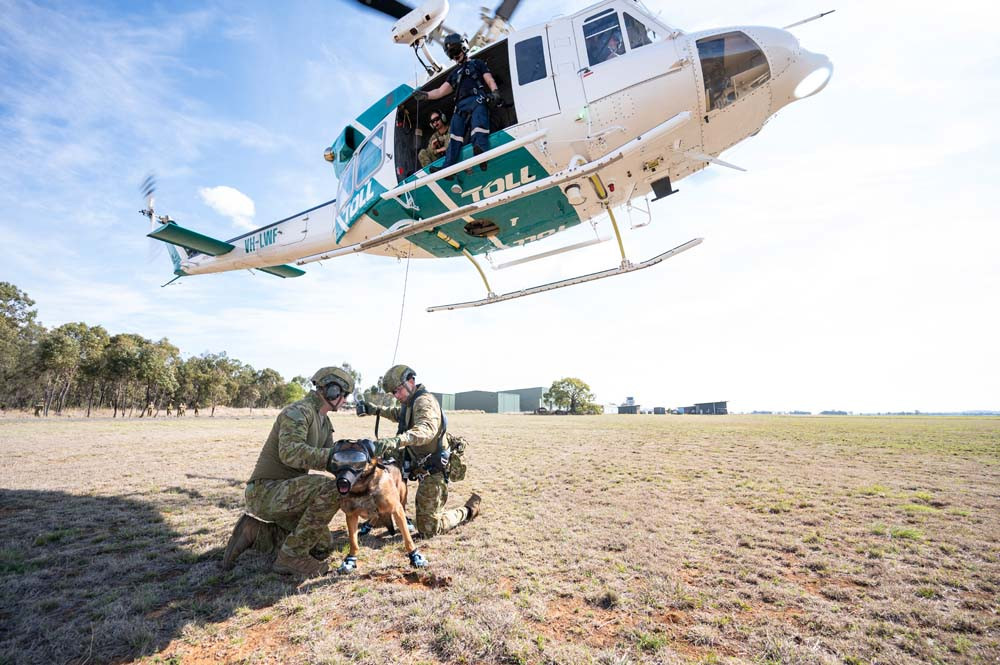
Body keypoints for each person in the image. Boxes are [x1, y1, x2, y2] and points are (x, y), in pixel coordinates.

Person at [221, 366, 355, 578]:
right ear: (332, 391)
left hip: (289, 494)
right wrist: (333, 457)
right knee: (330, 489)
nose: (345, 400)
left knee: (321, 545)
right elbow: (290, 453)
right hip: (265, 491)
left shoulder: (325, 422)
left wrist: (356, 465)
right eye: (344, 394)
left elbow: (330, 459)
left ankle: (254, 532)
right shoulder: (298, 412)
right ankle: (291, 558)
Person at [359, 364, 480, 538]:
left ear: (411, 381)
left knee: (429, 528)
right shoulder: (409, 402)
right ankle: (381, 514)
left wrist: (396, 441)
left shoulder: (424, 402)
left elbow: (426, 429)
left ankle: (467, 511)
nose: (397, 395)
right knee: (379, 468)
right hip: (414, 459)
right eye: (394, 392)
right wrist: (374, 409)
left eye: (399, 390)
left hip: (433, 468)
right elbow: (397, 414)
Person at [413, 34, 502, 173]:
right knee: (454, 137)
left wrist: (495, 92)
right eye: (452, 54)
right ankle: (448, 168)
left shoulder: (477, 64)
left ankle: (481, 154)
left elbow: (489, 79)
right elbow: (440, 91)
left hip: (477, 100)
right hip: (460, 107)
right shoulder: (454, 74)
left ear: (464, 48)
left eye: (457, 51)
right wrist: (425, 96)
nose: (455, 56)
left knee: (479, 126)